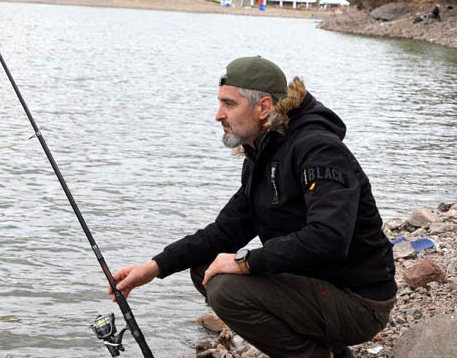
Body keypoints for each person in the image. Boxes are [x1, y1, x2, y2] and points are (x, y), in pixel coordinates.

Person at [110, 56, 397, 358]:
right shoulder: (262, 154)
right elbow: (223, 232)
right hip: (319, 285)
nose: (218, 115)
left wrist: (245, 261)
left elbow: (328, 238)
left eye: (229, 104)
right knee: (206, 269)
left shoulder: (318, 149)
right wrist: (155, 267)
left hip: (359, 301)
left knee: (225, 289)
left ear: (263, 108)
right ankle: (332, 351)